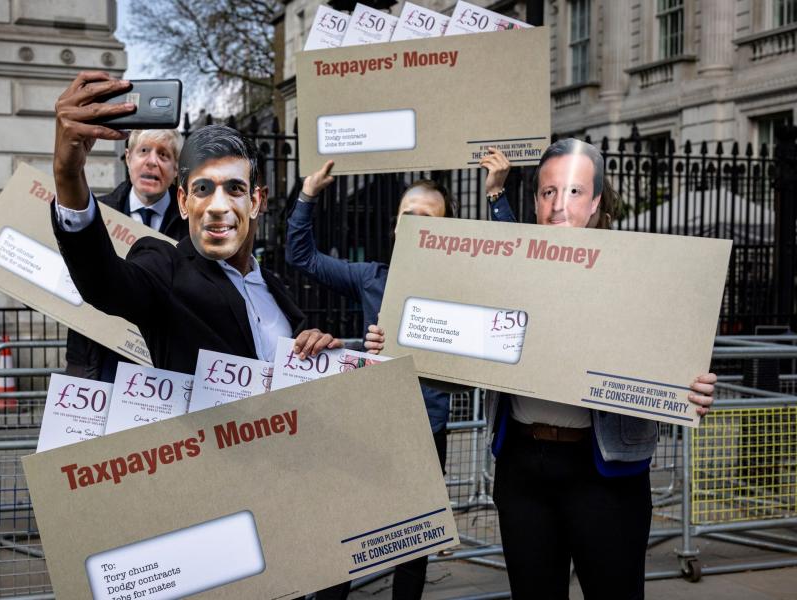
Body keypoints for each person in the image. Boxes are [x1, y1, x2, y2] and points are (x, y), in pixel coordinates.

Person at [365, 138, 717, 600]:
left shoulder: (638, 275)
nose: (558, 206)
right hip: (523, 469)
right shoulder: (501, 269)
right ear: (535, 201)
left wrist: (693, 387)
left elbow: (672, 356)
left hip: (605, 475)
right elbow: (456, 358)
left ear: (594, 202)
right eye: (548, 192)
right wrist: (399, 347)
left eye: (573, 192)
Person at [286, 150, 514, 600]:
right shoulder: (371, 277)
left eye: (428, 218)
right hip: (367, 426)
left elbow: (513, 272)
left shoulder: (461, 286)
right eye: (408, 216)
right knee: (347, 533)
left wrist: (496, 194)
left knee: (415, 542)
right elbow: (301, 257)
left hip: (427, 428)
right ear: (394, 225)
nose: (415, 225)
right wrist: (308, 194)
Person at [49, 71, 339, 381]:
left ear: (257, 200)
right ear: (184, 202)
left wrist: (315, 348)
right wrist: (68, 173)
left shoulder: (273, 286)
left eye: (235, 189)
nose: (217, 206)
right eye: (203, 190)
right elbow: (104, 284)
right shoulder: (167, 269)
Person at [0, 128, 190, 382]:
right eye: (144, 151)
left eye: (164, 155)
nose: (152, 161)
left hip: (165, 368)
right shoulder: (85, 214)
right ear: (128, 158)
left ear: (176, 170)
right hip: (95, 365)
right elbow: (37, 287)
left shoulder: (195, 228)